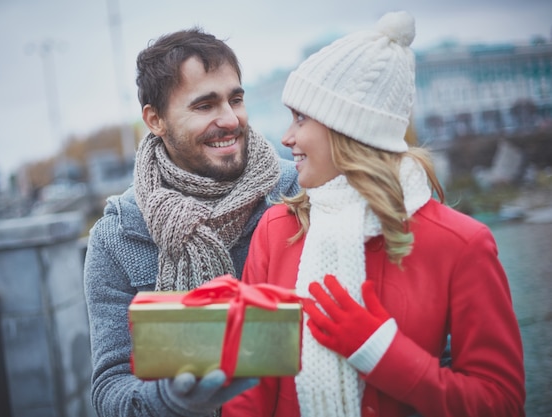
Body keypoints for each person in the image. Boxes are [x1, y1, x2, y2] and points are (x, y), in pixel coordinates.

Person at [223, 11, 525, 417]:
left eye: (301, 118)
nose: (286, 137)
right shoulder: (277, 231)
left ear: (348, 129)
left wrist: (381, 352)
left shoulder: (461, 245)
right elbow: (250, 390)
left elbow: (500, 403)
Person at [83, 28, 299, 417]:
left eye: (236, 99)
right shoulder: (117, 235)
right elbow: (110, 389)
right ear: (156, 120)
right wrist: (173, 400)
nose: (230, 119)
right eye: (205, 106)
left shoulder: (297, 191)